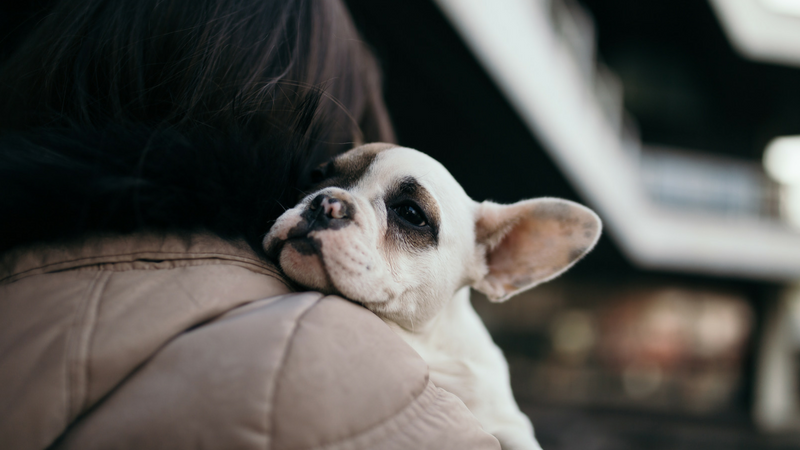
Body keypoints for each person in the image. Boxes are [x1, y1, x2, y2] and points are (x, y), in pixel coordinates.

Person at [0, 0, 501, 448]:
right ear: (303, 126)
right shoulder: (343, 373)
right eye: (322, 178)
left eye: (409, 216)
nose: (334, 205)